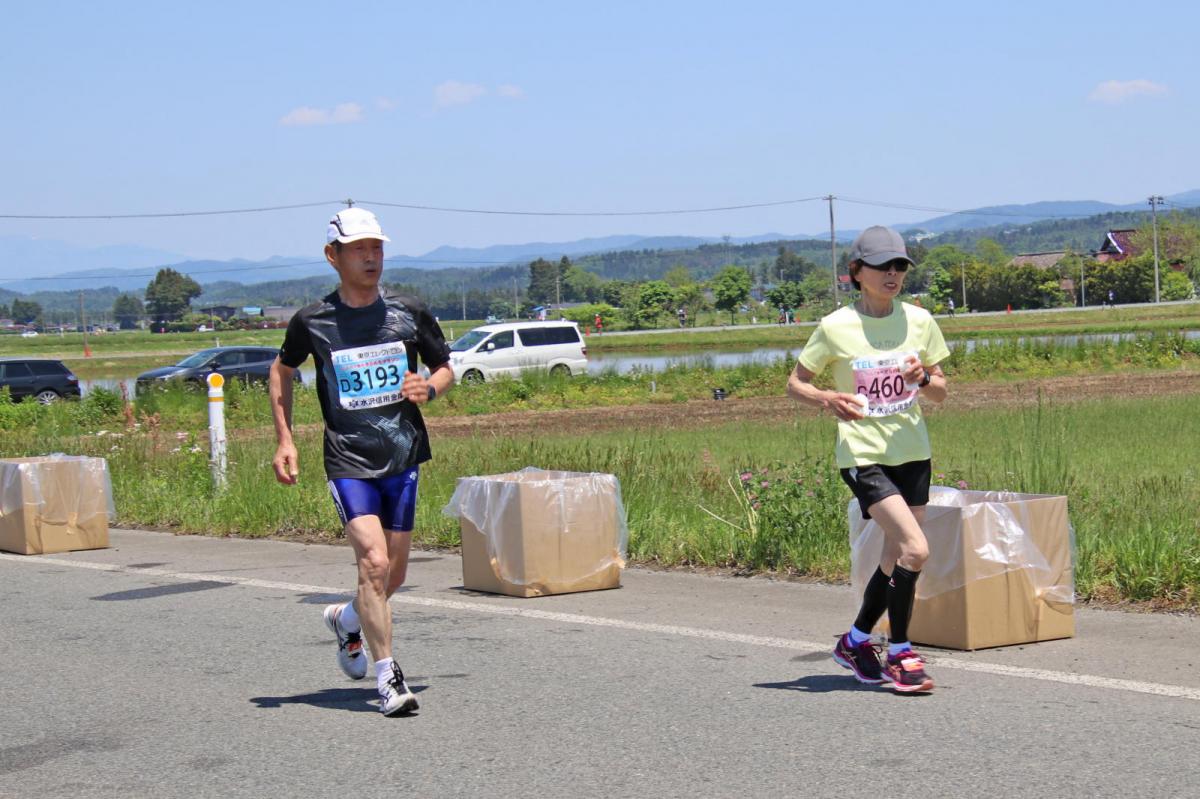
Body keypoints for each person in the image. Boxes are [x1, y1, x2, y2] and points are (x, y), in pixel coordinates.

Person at [269, 207, 454, 716]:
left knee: (391, 578)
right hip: (347, 458)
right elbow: (281, 371)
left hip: (402, 453)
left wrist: (429, 388)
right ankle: (389, 678)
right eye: (358, 249)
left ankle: (346, 620)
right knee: (371, 563)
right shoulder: (313, 320)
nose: (371, 257)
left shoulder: (409, 311)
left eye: (376, 248)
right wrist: (286, 440)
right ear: (334, 256)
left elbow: (444, 367)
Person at [786, 225, 950, 693]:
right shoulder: (836, 327)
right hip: (863, 454)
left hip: (912, 451)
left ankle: (856, 640)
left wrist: (922, 379)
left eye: (900, 265)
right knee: (916, 550)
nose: (893, 274)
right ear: (856, 272)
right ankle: (900, 651)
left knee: (894, 555)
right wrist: (825, 398)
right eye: (882, 266)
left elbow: (940, 393)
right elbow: (795, 383)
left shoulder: (920, 321)